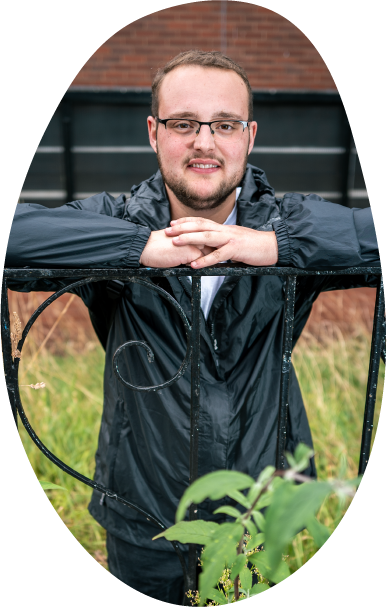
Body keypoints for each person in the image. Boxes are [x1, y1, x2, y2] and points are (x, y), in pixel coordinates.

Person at [5, 50, 379, 604]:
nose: (204, 143)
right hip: (141, 508)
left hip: (261, 506)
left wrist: (278, 247)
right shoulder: (118, 219)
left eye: (224, 125)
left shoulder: (288, 222)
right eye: (184, 124)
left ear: (248, 136)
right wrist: (138, 249)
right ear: (154, 133)